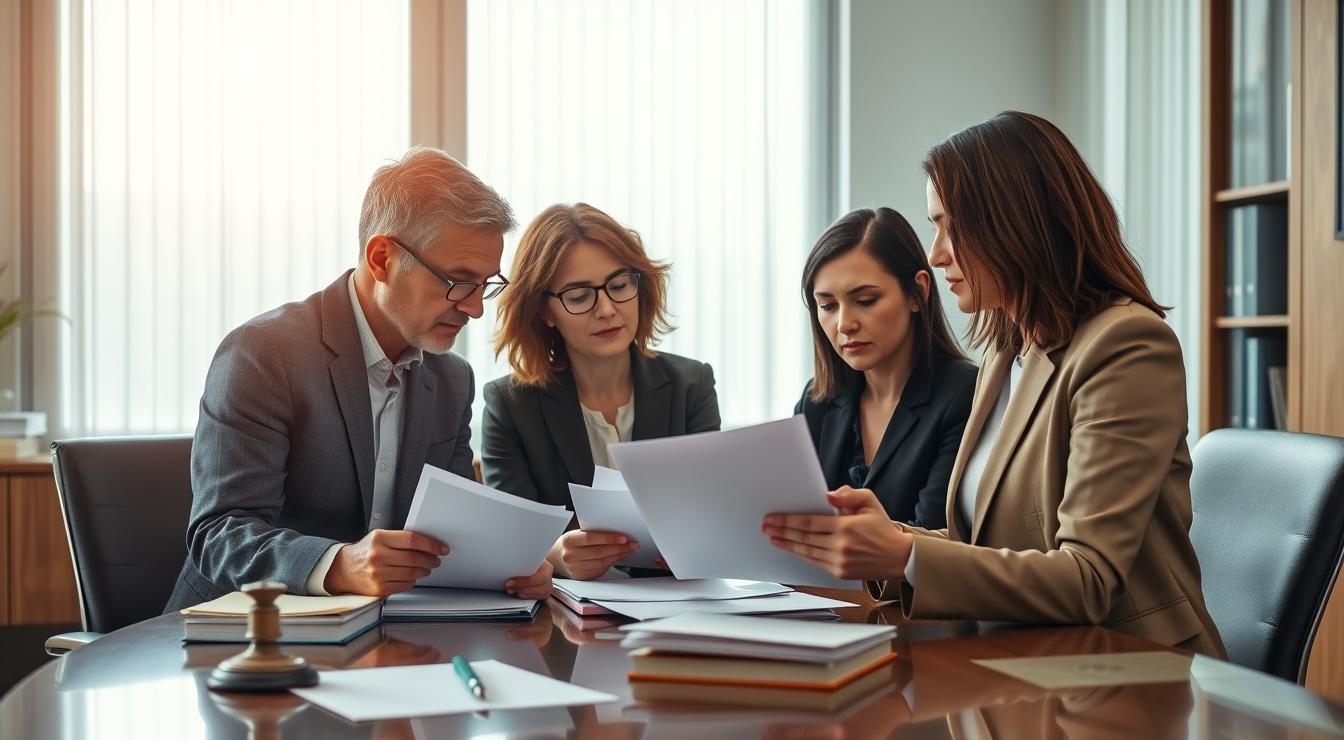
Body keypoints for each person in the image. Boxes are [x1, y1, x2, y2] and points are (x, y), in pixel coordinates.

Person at [763, 112, 1226, 657]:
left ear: (1018, 223)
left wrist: (902, 554)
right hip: (1023, 664)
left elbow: (1089, 579)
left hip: (1124, 673)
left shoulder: (1126, 345)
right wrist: (894, 540)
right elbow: (981, 546)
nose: (936, 254)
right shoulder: (1007, 354)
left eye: (951, 226)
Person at [165, 147, 553, 611]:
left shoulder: (452, 380)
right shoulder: (263, 354)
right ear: (382, 258)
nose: (475, 308)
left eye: (486, 283)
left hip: (381, 636)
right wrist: (339, 563)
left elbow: (452, 535)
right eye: (458, 281)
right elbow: (219, 535)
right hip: (240, 639)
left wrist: (508, 564)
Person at [482, 203, 720, 580]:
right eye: (579, 297)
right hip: (563, 618)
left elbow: (710, 514)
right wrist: (557, 556)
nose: (607, 309)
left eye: (619, 285)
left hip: (677, 605)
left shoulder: (692, 385)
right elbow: (511, 539)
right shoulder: (509, 404)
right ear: (544, 312)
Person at [795, 207, 976, 530]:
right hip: (814, 583)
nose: (845, 324)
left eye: (865, 300)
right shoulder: (817, 401)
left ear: (918, 293)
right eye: (827, 306)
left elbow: (935, 539)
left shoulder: (964, 394)